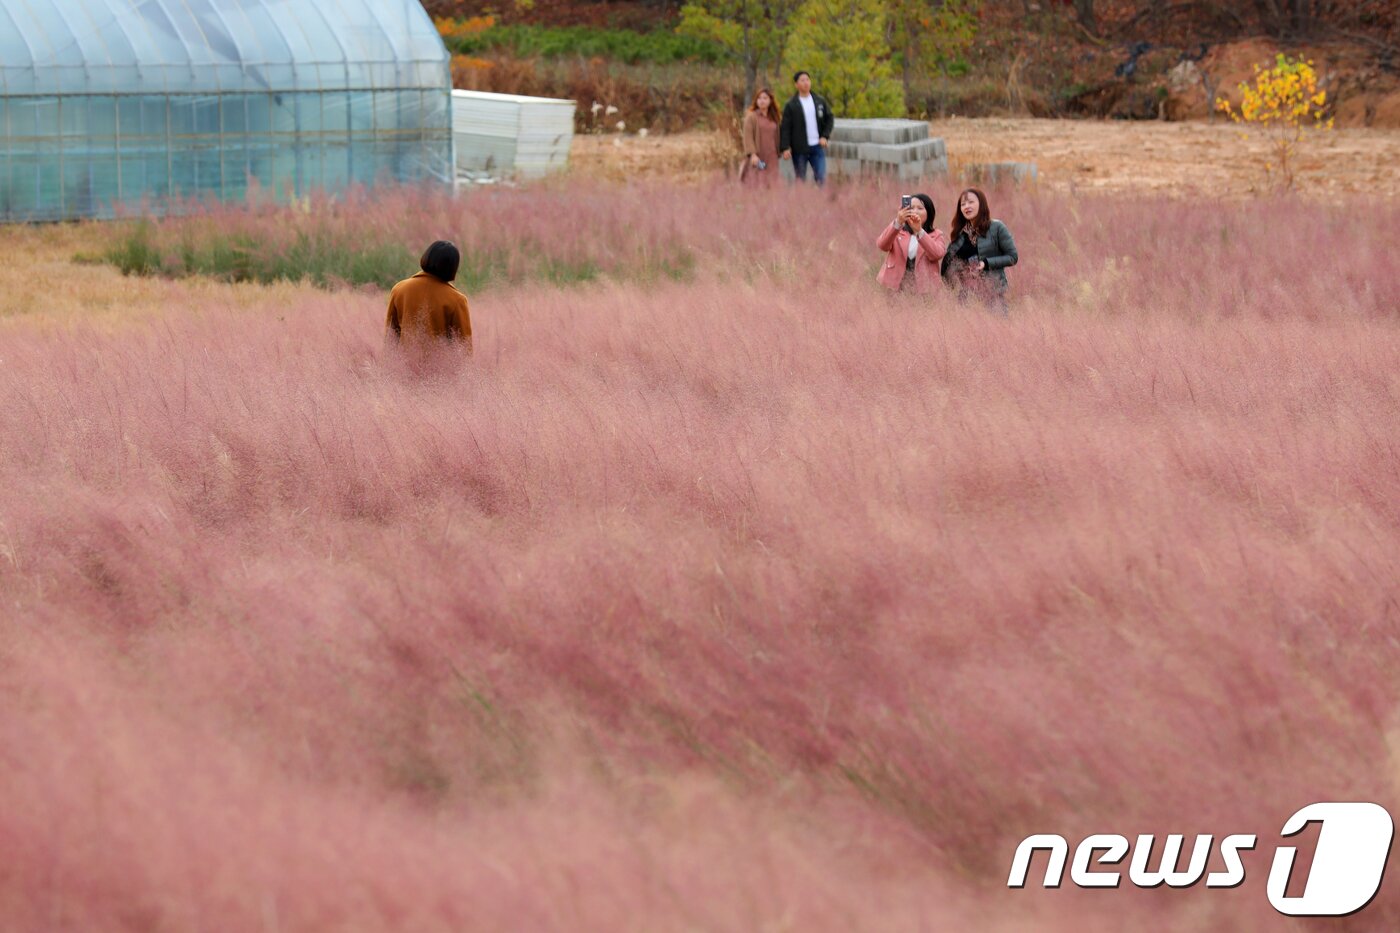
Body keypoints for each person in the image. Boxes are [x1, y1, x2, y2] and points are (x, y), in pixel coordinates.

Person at [386, 240, 473, 353]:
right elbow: (464, 348)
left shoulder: (399, 289)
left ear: (427, 257)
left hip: (404, 362)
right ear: (452, 267)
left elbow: (390, 338)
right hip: (440, 364)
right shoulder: (457, 300)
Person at [941, 188, 1018, 314]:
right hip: (966, 298)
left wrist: (986, 263)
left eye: (971, 202)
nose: (967, 206)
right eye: (963, 204)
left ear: (981, 204)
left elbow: (1012, 257)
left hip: (993, 294)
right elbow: (948, 265)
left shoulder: (996, 227)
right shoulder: (959, 234)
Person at [875, 193, 946, 296]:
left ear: (929, 213)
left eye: (920, 208)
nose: (915, 211)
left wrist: (919, 231)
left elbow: (936, 254)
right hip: (896, 288)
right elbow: (882, 245)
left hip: (925, 291)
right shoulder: (897, 232)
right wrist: (898, 222)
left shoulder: (936, 234)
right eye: (911, 208)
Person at [778, 71, 834, 185]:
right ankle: (802, 197)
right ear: (796, 85)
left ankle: (822, 196)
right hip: (799, 149)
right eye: (802, 80)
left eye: (807, 80)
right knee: (800, 180)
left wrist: (825, 136)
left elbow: (829, 118)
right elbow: (785, 127)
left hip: (817, 147)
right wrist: (785, 147)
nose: (806, 83)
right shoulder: (791, 105)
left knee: (821, 178)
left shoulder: (819, 101)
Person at [741, 88, 781, 188]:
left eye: (765, 98)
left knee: (772, 183)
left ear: (770, 101)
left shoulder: (774, 118)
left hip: (772, 157)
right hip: (758, 157)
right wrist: (752, 154)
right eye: (759, 98)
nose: (762, 101)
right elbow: (747, 136)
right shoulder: (751, 117)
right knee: (758, 182)